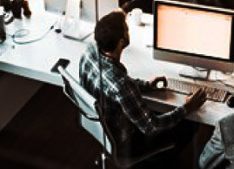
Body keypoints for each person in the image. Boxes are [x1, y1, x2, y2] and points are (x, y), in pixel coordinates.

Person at [79, 10, 207, 157]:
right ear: (121, 42)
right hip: (124, 143)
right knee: (190, 122)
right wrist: (187, 107)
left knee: (163, 109)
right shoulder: (122, 85)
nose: (128, 31)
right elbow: (151, 127)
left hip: (100, 129)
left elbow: (112, 84)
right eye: (126, 29)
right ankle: (164, 168)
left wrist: (146, 86)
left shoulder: (89, 52)